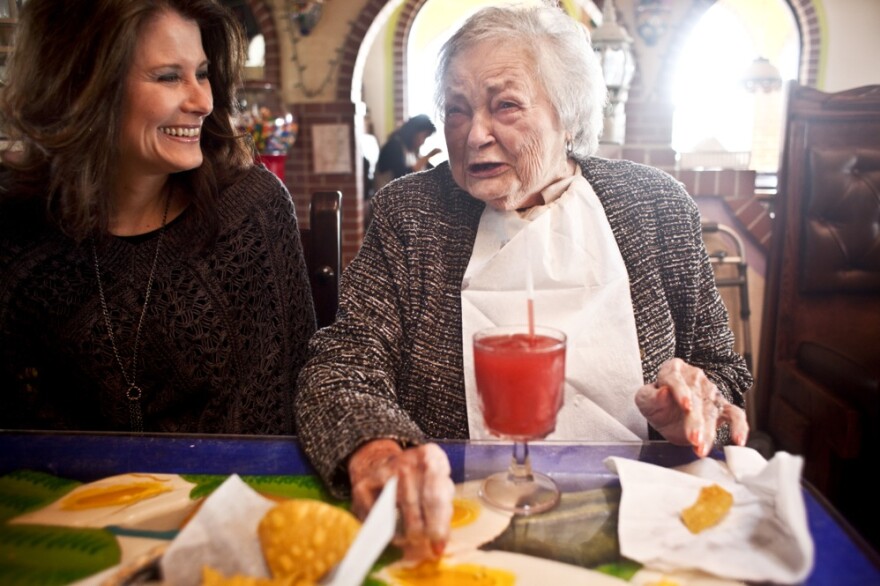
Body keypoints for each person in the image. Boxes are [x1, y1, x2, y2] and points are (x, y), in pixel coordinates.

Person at [296, 3, 751, 561]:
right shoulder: (409, 213)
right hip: (455, 522)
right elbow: (342, 366)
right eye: (457, 110)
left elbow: (723, 373)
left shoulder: (657, 207)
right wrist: (380, 453)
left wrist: (699, 410)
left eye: (505, 105)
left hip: (643, 517)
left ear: (568, 112)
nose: (474, 134)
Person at [0, 0, 316, 433]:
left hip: (228, 493)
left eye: (203, 73)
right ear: (83, 85)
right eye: (169, 77)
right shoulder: (17, 233)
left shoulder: (252, 212)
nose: (203, 100)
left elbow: (277, 418)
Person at [373, 114, 442, 191]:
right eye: (424, 136)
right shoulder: (394, 146)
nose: (423, 142)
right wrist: (427, 156)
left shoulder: (412, 150)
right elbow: (401, 177)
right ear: (414, 132)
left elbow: (429, 170)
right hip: (388, 197)